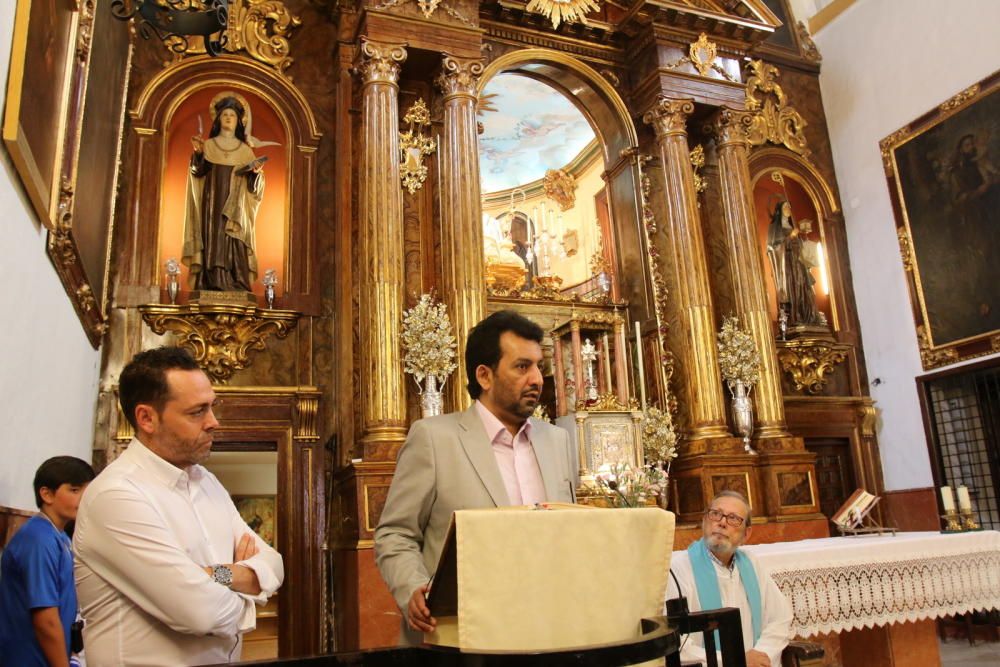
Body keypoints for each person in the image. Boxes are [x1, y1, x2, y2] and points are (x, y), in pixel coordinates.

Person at [374, 310, 577, 645]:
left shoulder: (556, 441)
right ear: (484, 375)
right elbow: (395, 534)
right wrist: (413, 588)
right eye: (522, 366)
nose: (538, 379)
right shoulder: (434, 439)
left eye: (539, 366)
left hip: (546, 631)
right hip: (460, 636)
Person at [73, 347, 283, 666]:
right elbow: (201, 613)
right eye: (197, 411)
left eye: (212, 407)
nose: (213, 422)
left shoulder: (206, 482)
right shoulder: (117, 496)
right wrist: (248, 586)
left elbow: (274, 563)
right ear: (147, 418)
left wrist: (213, 574)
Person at [666, 491, 792, 667]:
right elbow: (676, 643)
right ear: (704, 521)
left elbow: (779, 619)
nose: (722, 522)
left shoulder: (751, 565)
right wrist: (736, 660)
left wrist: (761, 654)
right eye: (716, 514)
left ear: (747, 534)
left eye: (733, 518)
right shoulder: (679, 569)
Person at [0, 457, 95, 667]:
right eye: (74, 490)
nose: (83, 499)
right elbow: (46, 618)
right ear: (47, 494)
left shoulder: (59, 536)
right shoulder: (38, 539)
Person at [182, 93, 264, 292]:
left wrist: (255, 174)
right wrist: (198, 154)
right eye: (225, 114)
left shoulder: (245, 151)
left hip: (236, 205)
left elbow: (253, 185)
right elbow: (197, 172)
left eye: (232, 115)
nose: (228, 118)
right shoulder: (208, 145)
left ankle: (237, 281)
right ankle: (211, 281)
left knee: (234, 239)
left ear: (238, 121)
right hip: (212, 203)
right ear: (218, 119)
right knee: (213, 239)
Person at [766, 200, 820, 328]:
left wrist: (804, 243)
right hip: (787, 266)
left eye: (790, 206)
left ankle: (807, 318)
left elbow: (800, 247)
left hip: (799, 264)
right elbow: (773, 248)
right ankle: (795, 318)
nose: (789, 209)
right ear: (779, 210)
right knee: (793, 288)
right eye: (785, 206)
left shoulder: (792, 227)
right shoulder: (774, 228)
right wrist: (790, 237)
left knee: (803, 287)